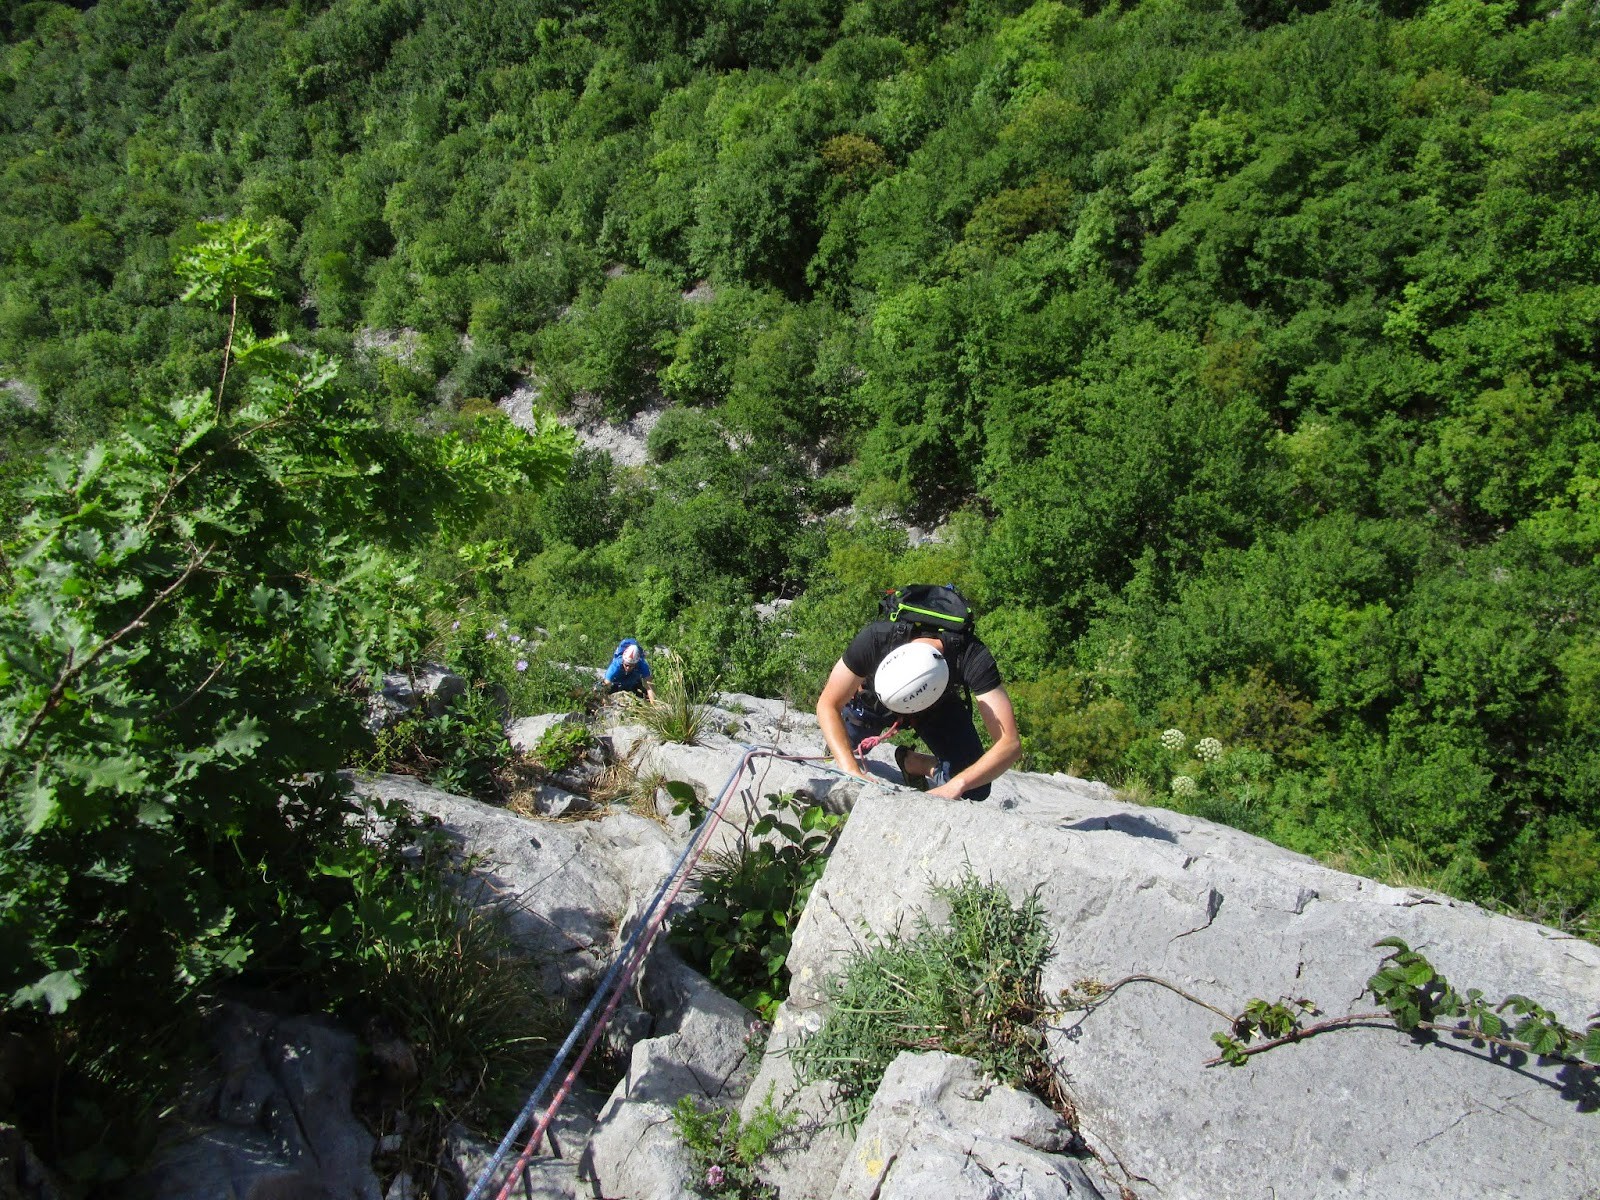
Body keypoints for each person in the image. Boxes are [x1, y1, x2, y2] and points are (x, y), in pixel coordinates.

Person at [815, 604, 1020, 801]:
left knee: (976, 789)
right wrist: (850, 768)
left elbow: (1009, 743)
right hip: (875, 703)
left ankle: (912, 762)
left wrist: (957, 784)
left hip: (936, 707)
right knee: (842, 749)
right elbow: (828, 703)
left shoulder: (970, 656)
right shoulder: (876, 638)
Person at [604, 638, 655, 702]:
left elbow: (650, 687)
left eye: (631, 666)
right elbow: (606, 685)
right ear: (623, 661)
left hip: (633, 684)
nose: (628, 668)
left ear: (636, 663)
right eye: (626, 665)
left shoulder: (642, 665)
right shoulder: (615, 665)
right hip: (616, 684)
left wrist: (654, 706)